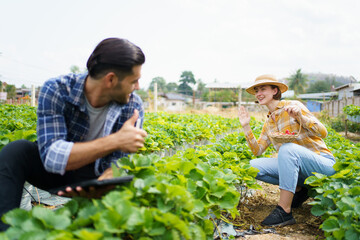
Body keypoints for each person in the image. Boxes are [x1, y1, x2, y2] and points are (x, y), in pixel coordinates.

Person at [0, 37, 147, 231]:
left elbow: (119, 163)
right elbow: (52, 156)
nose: (137, 87)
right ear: (110, 79)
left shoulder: (133, 106)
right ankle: (5, 231)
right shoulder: (57, 90)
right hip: (55, 172)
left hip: (95, 177)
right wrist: (115, 141)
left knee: (132, 186)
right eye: (134, 81)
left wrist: (105, 182)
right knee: (15, 151)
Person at [238, 74, 336, 227]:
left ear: (275, 91)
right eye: (256, 90)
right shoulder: (269, 122)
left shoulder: (293, 105)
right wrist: (246, 126)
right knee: (252, 166)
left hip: (322, 164)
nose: (258, 93)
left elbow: (323, 132)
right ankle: (299, 189)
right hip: (300, 170)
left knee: (287, 149)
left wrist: (300, 117)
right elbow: (257, 151)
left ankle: (284, 211)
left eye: (263, 89)